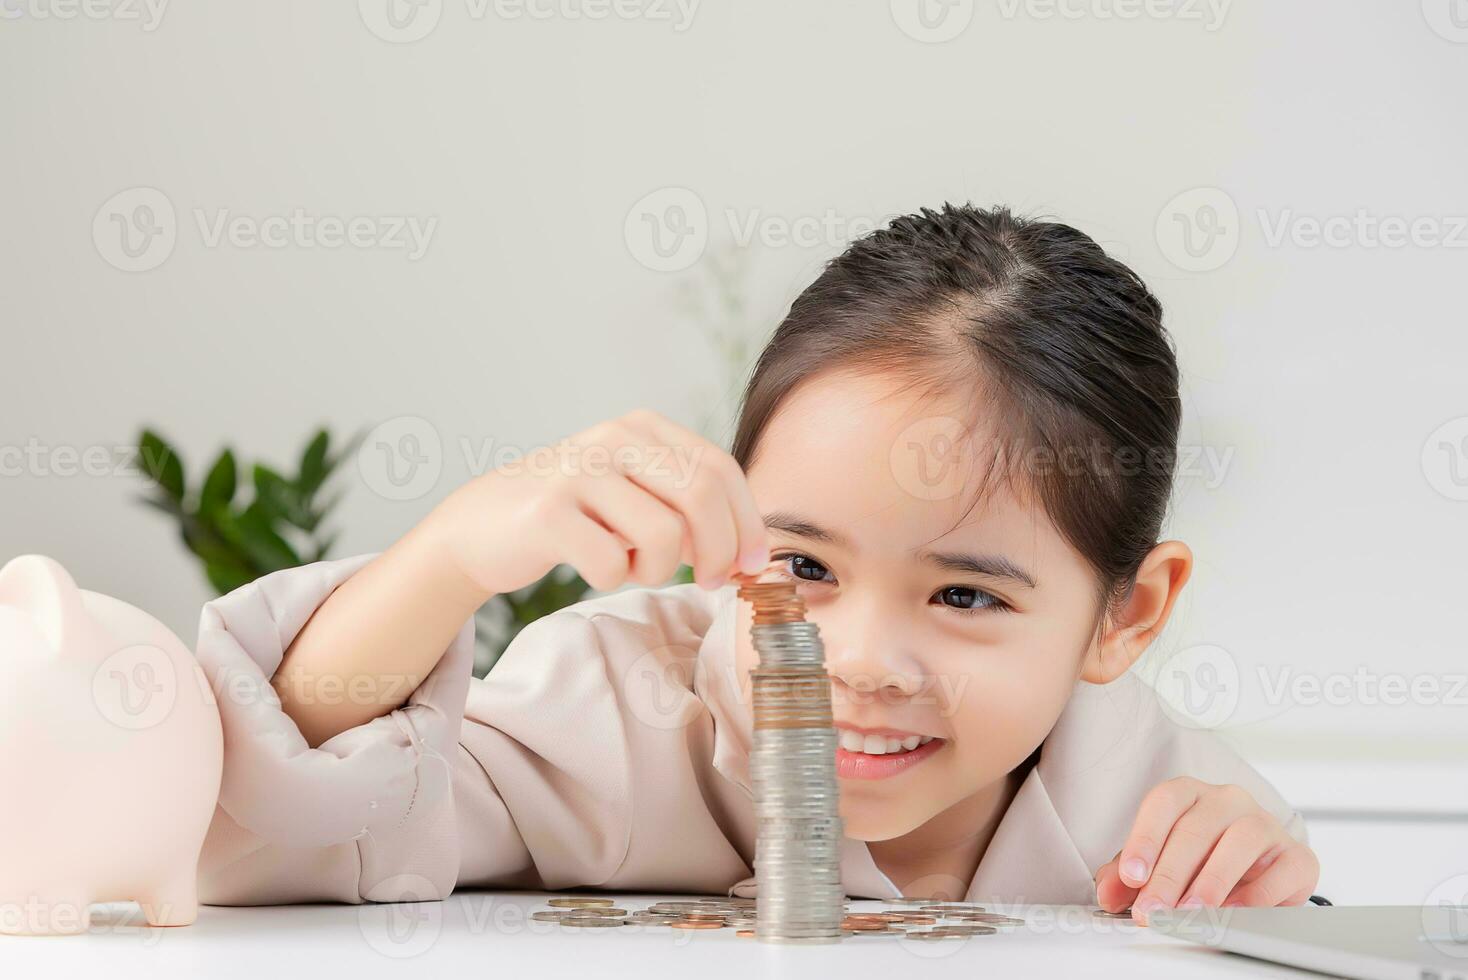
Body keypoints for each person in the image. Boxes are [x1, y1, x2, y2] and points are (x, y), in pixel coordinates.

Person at [194, 204, 1319, 924]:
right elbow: (264, 831)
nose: (861, 661)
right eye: (805, 567)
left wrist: (1266, 894)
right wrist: (446, 556)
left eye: (964, 593)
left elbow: (1288, 907)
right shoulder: (623, 714)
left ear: (1126, 614)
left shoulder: (1150, 800)